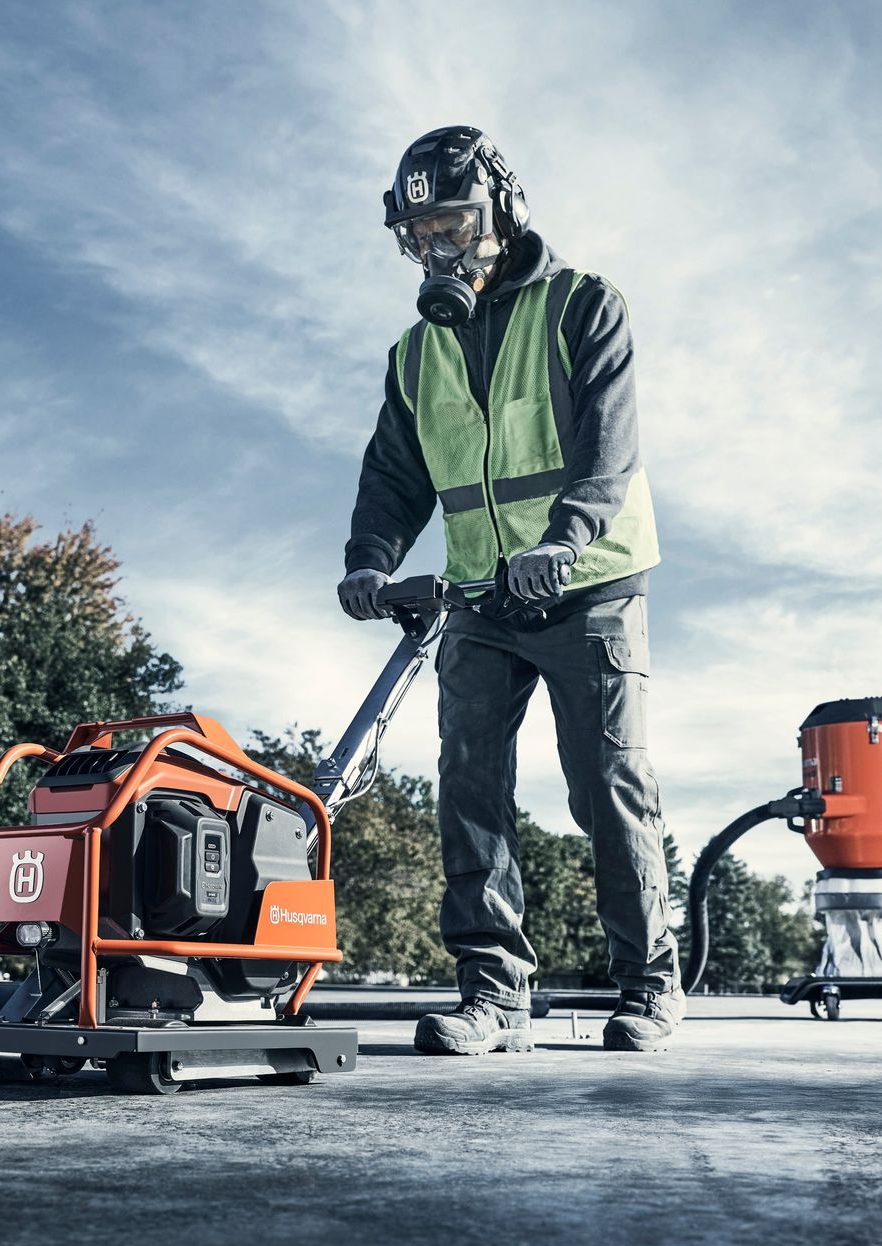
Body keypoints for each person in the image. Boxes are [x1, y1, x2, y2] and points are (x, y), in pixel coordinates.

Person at [339, 125, 680, 1053]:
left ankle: (647, 987)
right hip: (482, 596)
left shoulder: (582, 306)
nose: (437, 246)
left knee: (606, 782)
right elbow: (394, 475)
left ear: (501, 210)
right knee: (469, 786)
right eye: (418, 235)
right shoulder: (416, 355)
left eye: (451, 221)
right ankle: (494, 996)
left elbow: (610, 449)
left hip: (591, 585)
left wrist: (566, 539)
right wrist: (368, 560)